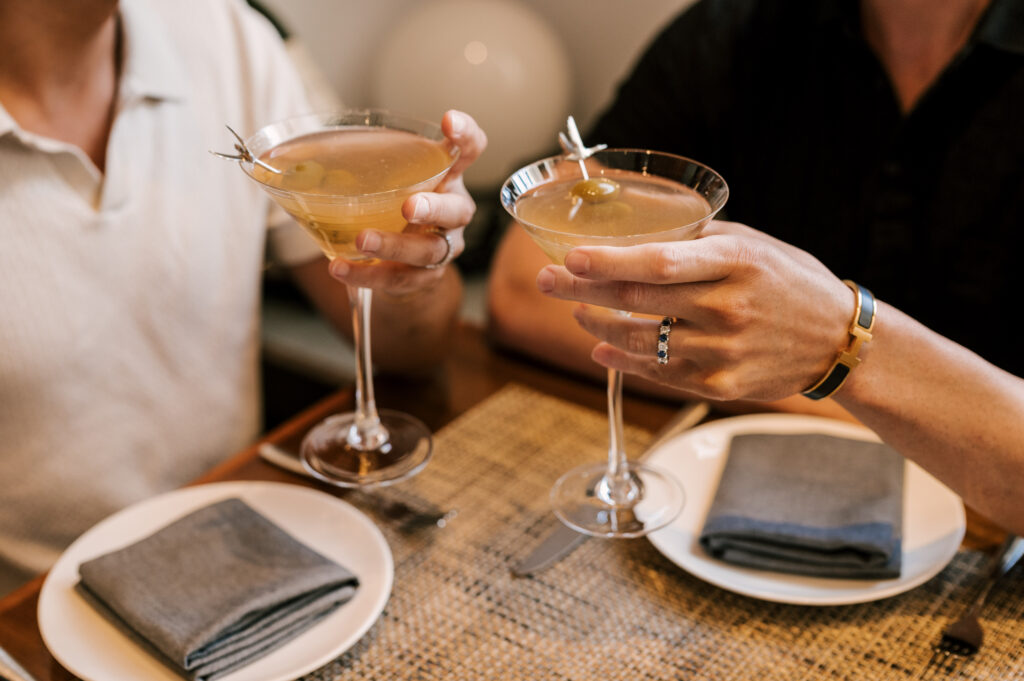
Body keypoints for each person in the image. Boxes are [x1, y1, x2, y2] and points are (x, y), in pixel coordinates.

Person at [0, 0, 486, 594]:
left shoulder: (229, 37)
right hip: (37, 606)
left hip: (249, 550)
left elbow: (414, 348)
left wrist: (414, 263)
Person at [488, 0, 1024, 536]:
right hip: (726, 494)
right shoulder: (736, 30)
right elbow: (520, 285)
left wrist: (837, 350)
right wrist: (896, 416)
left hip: (982, 541)